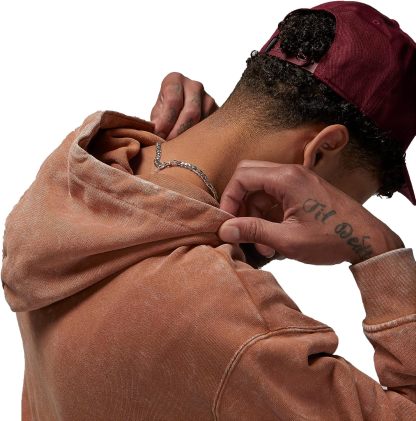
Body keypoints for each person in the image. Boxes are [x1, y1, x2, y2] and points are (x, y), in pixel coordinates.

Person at [1, 1, 415, 419]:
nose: (331, 219)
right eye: (345, 204)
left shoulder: (78, 182)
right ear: (321, 150)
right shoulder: (236, 325)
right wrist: (378, 248)